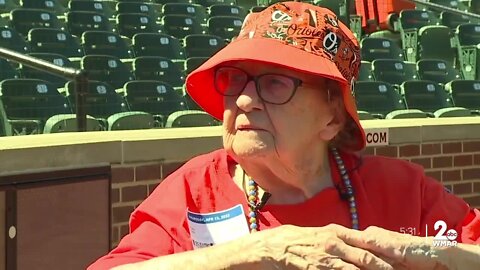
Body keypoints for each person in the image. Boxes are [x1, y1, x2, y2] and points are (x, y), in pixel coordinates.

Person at [88, 2, 480, 269]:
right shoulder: (196, 189)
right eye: (234, 78)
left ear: (332, 117)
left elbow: (463, 249)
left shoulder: (401, 190)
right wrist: (248, 253)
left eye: (275, 83)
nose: (243, 98)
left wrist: (422, 247)